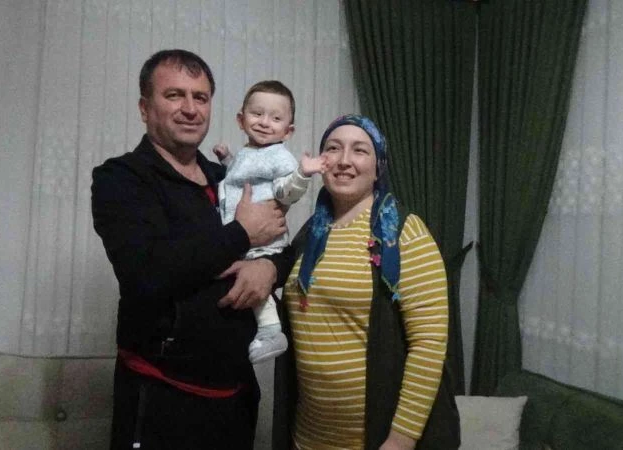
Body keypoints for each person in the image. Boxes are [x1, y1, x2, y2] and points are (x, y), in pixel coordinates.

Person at [91, 49, 288, 449]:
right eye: (174, 95)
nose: (190, 109)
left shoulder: (227, 177)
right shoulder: (121, 178)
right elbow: (146, 273)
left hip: (235, 395)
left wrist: (270, 268)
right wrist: (241, 234)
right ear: (145, 108)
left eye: (200, 97)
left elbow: (278, 237)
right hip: (162, 396)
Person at [272, 115, 461, 450]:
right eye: (333, 148)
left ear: (378, 168)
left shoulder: (405, 233)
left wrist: (400, 441)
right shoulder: (311, 232)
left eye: (359, 150)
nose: (344, 160)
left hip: (376, 441)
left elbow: (429, 345)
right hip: (307, 437)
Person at [212, 80, 327, 364]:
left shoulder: (279, 157)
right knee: (234, 281)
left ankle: (271, 331)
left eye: (276, 118)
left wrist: (303, 174)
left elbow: (286, 193)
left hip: (261, 239)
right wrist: (227, 159)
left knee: (255, 287)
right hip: (236, 233)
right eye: (257, 114)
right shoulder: (249, 152)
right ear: (241, 120)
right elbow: (239, 176)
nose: (265, 122)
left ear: (288, 131)